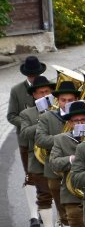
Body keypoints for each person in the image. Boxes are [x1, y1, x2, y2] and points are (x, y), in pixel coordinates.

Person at [36, 80, 80, 227]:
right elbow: (40, 139)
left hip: (79, 172)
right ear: (58, 101)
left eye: (71, 99)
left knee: (82, 216)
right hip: (55, 173)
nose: (67, 103)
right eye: (63, 100)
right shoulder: (48, 117)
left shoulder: (83, 117)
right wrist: (64, 138)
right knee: (64, 215)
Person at [19, 75, 55, 227]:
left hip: (56, 158)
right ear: (34, 95)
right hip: (38, 161)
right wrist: (41, 121)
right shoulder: (27, 113)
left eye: (47, 92)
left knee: (61, 196)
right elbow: (25, 133)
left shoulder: (58, 111)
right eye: (41, 93)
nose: (44, 95)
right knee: (44, 196)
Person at [8, 56, 44, 185]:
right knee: (31, 176)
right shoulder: (16, 90)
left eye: (37, 74)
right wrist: (26, 124)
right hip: (26, 140)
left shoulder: (47, 87)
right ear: (27, 75)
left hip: (46, 137)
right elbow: (11, 115)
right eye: (31, 75)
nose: (34, 78)